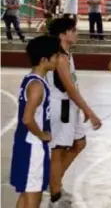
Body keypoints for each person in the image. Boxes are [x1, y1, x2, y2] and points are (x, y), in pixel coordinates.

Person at [47, 18, 102, 207]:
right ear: (63, 35)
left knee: (79, 142)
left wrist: (81, 108)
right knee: (58, 151)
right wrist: (90, 111)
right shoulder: (60, 57)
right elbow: (69, 89)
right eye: (72, 30)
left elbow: (74, 87)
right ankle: (55, 195)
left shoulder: (68, 55)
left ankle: (53, 182)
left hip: (70, 106)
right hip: (61, 107)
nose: (76, 33)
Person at [10, 36, 60, 208]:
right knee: (33, 199)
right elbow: (27, 119)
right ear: (44, 60)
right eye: (55, 56)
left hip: (26, 144)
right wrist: (42, 135)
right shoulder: (37, 86)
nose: (57, 60)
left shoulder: (31, 79)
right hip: (32, 147)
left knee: (25, 196)